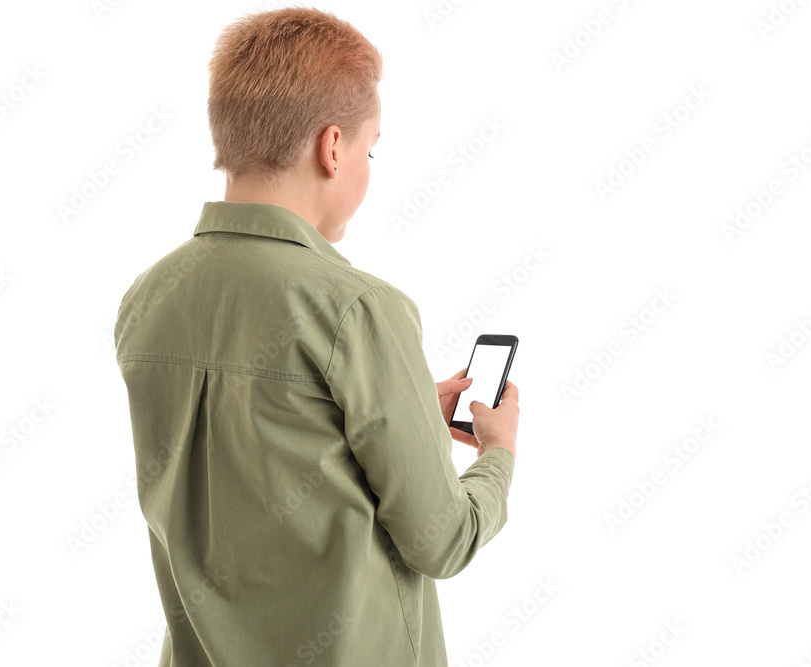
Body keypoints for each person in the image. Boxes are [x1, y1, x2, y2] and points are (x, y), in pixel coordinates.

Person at [114, 7, 520, 666]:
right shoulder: (359, 309)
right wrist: (496, 455)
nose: (367, 165)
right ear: (333, 147)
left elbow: (263, 450)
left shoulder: (148, 298)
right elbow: (442, 538)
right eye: (372, 147)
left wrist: (404, 404)